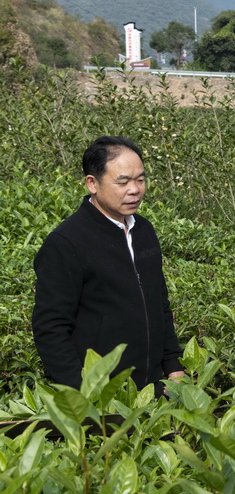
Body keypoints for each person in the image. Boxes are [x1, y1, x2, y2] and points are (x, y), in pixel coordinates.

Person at [32, 136, 185, 391]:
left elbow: (159, 303)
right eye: (123, 181)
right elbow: (50, 328)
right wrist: (84, 393)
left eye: (140, 179)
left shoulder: (144, 231)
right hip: (104, 396)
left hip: (155, 389)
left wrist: (173, 365)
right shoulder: (66, 243)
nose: (135, 189)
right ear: (92, 183)